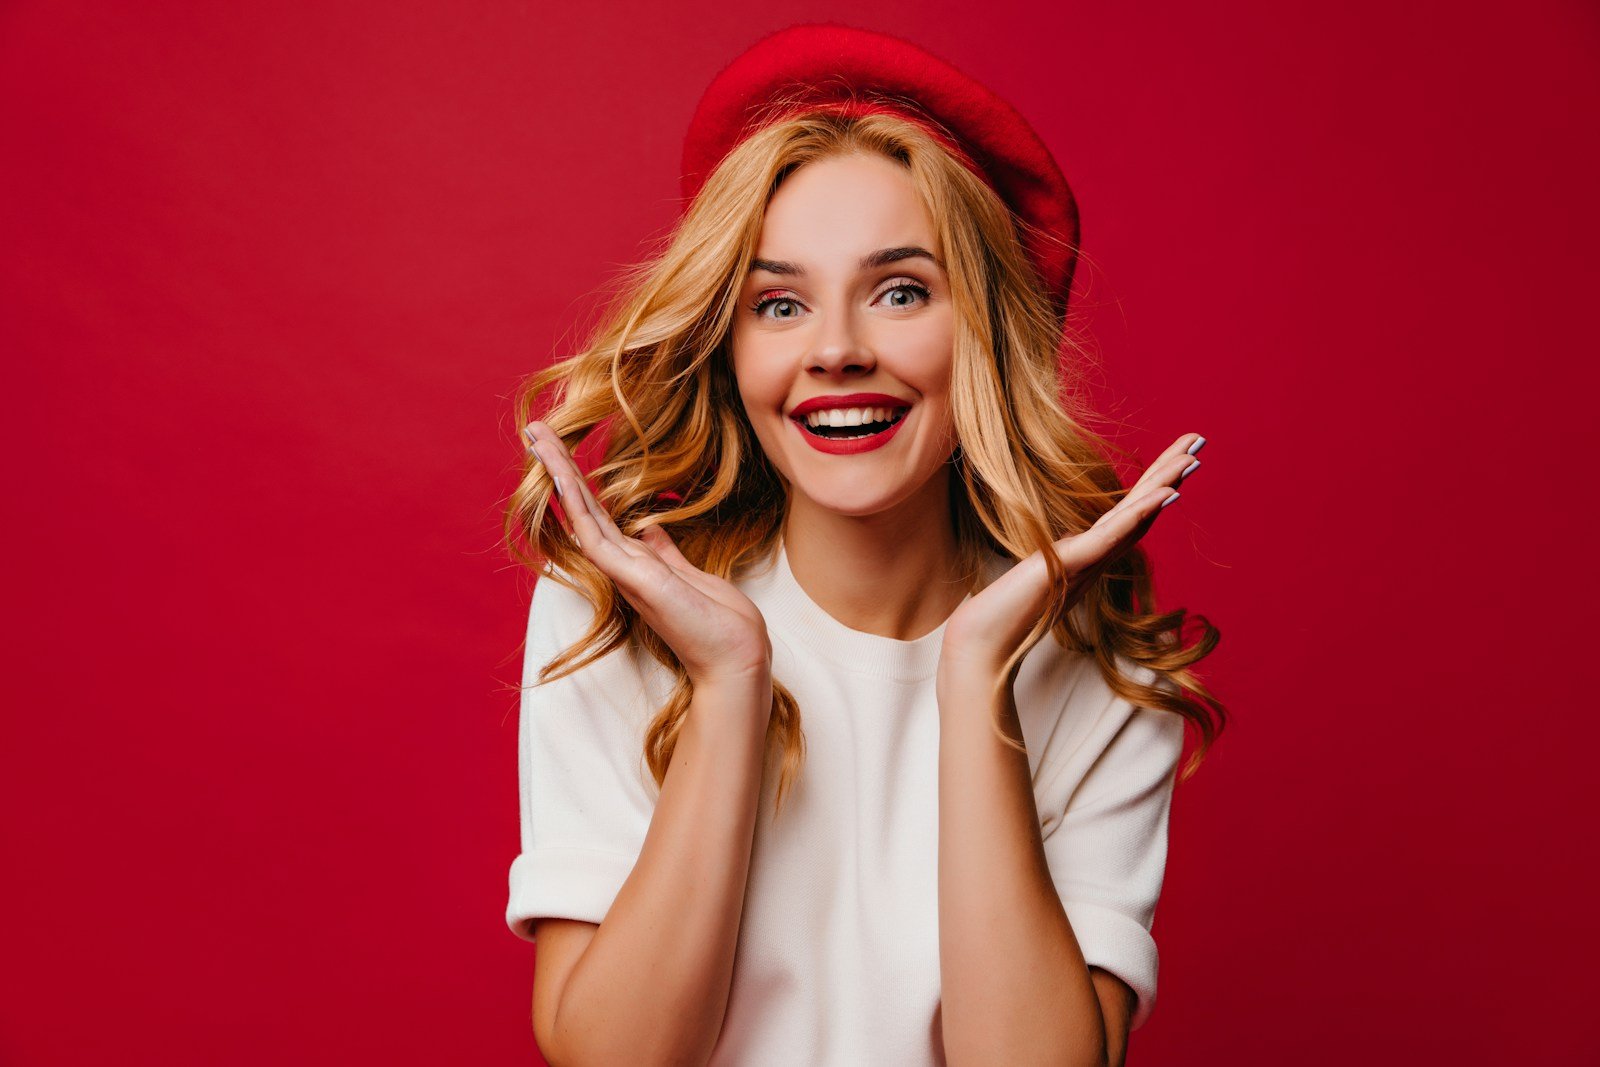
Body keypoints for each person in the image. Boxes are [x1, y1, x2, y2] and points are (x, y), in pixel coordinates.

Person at [502, 23, 1226, 1066]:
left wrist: (976, 676)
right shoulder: (619, 607)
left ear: (982, 330)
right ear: (730, 343)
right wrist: (727, 682)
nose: (836, 349)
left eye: (899, 291)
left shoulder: (1100, 666)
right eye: (780, 303)